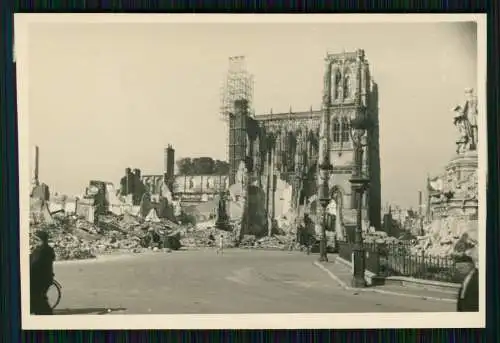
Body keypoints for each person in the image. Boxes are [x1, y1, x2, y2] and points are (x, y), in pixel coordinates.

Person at [30, 230, 56, 315]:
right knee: (38, 297)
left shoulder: (43, 250)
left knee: (38, 297)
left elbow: (36, 264)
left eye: (36, 240)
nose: (34, 242)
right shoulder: (42, 249)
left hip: (41, 279)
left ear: (41, 240)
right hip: (43, 277)